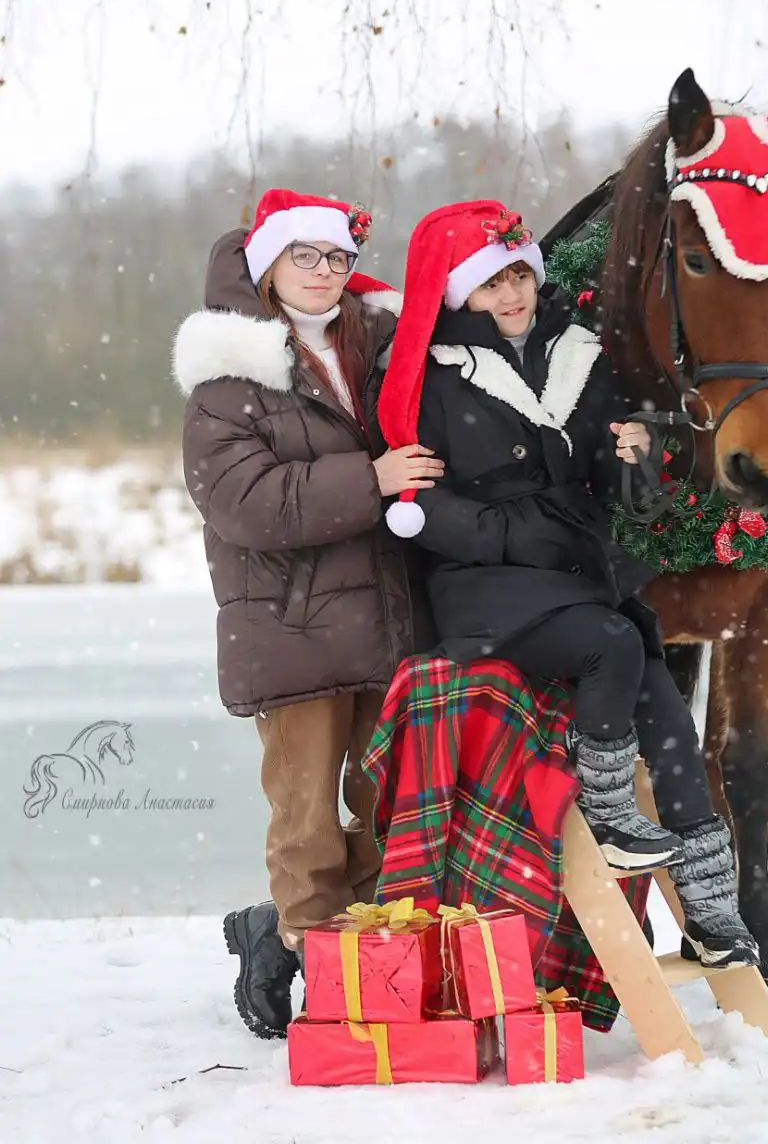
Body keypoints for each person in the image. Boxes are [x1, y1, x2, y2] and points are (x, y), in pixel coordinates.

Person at [376, 199, 758, 970]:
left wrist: (635, 459)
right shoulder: (429, 379)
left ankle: (714, 911)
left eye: (519, 276)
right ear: (460, 295)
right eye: (491, 286)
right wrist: (516, 535)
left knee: (666, 709)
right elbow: (420, 507)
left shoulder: (580, 355)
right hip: (487, 587)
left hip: (577, 576)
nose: (511, 297)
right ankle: (611, 818)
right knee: (615, 643)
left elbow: (619, 493)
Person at [173, 190, 442, 1038]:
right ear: (267, 267)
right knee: (309, 818)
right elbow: (247, 504)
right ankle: (326, 984)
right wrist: (373, 480)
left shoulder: (383, 349)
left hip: (391, 616)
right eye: (306, 257)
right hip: (289, 626)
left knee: (389, 803)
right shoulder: (229, 380)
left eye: (337, 258)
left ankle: (361, 965)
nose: (326, 273)